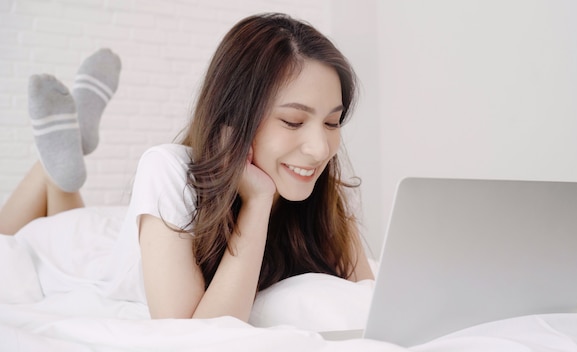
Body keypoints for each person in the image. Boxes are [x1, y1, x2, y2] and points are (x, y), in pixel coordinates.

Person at [0, 13, 374, 323]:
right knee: (6, 242)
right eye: (293, 121)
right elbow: (191, 337)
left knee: (71, 194)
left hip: (127, 236)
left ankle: (66, 155)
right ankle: (51, 168)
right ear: (234, 117)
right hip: (78, 254)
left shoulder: (316, 188)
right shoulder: (168, 169)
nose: (320, 148)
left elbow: (368, 302)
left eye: (332, 123)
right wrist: (258, 202)